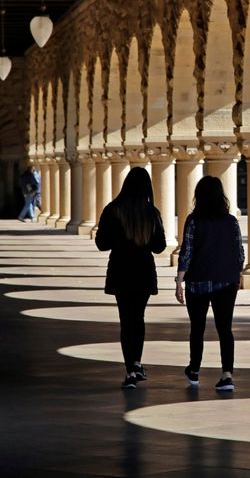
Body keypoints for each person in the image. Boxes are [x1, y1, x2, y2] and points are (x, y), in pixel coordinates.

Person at [95, 167, 166, 389]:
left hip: (121, 269)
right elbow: (159, 246)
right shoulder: (151, 213)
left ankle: (130, 370)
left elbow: (101, 243)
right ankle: (136, 362)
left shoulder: (113, 210)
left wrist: (120, 239)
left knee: (126, 320)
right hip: (143, 271)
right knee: (139, 318)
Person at [175, 175, 245, 392]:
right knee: (225, 329)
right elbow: (240, 253)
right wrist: (235, 275)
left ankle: (194, 370)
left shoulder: (194, 220)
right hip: (226, 281)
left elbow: (186, 252)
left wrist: (179, 281)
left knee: (197, 328)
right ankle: (226, 374)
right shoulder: (231, 221)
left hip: (198, 282)